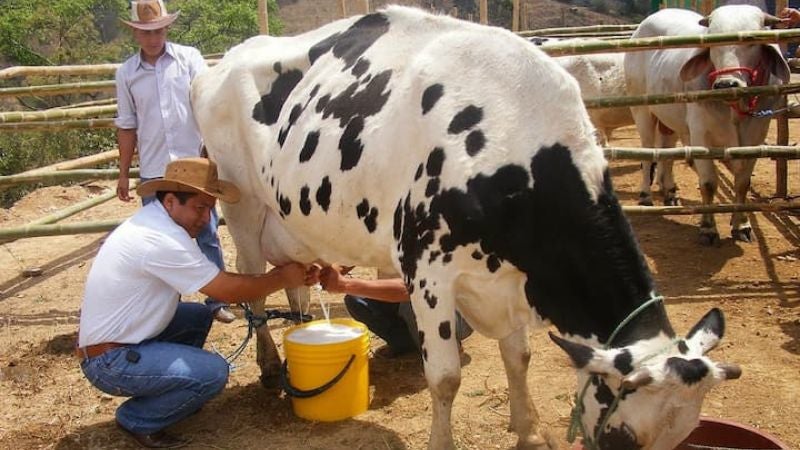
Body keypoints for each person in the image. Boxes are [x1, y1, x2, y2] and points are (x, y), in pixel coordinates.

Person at [77, 158, 320, 448]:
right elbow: (225, 290)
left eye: (210, 208)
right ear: (170, 201)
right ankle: (139, 418)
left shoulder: (154, 222)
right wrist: (282, 277)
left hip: (116, 342)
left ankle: (176, 390)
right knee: (215, 373)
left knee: (197, 316)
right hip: (108, 361)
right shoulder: (160, 239)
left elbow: (219, 282)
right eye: (199, 208)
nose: (206, 218)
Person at [114, 0, 234, 323]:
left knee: (205, 229)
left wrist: (211, 156)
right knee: (159, 242)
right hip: (154, 169)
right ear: (136, 34)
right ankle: (166, 308)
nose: (153, 38)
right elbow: (127, 125)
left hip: (193, 164)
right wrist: (124, 174)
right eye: (146, 32)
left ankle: (216, 299)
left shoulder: (189, 59)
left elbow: (207, 107)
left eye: (158, 30)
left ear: (166, 28)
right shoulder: (126, 74)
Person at [318, 266, 473, 358]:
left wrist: (345, 284)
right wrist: (322, 270)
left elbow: (410, 289)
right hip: (401, 299)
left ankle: (447, 347)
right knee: (355, 300)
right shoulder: (381, 225)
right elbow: (347, 259)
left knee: (413, 302)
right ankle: (404, 344)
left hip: (452, 312)